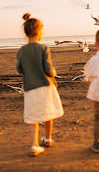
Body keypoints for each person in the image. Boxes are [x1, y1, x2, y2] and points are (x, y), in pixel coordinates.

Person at [16, 13, 64, 156]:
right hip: (45, 85)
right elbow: (49, 69)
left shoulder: (22, 51)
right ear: (39, 32)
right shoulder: (43, 48)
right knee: (47, 112)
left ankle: (34, 145)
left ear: (26, 33)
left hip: (30, 87)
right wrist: (54, 72)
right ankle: (48, 138)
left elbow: (19, 69)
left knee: (33, 116)